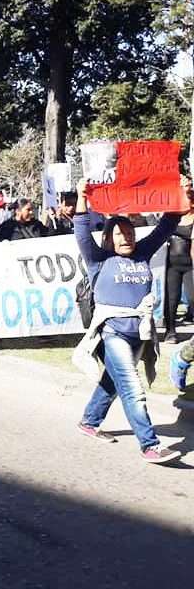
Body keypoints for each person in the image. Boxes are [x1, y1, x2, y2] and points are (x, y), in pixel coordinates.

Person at [71, 178, 182, 464]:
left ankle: (89, 421)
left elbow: (167, 225)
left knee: (112, 381)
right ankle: (150, 444)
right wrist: (82, 197)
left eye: (129, 232)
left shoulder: (142, 253)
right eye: (118, 234)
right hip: (112, 334)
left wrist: (181, 193)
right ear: (108, 238)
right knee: (132, 387)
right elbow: (82, 230)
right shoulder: (98, 260)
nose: (126, 238)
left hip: (139, 334)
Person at [163, 178, 194, 343]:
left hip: (190, 265)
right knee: (171, 299)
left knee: (192, 297)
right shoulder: (169, 216)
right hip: (171, 265)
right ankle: (170, 331)